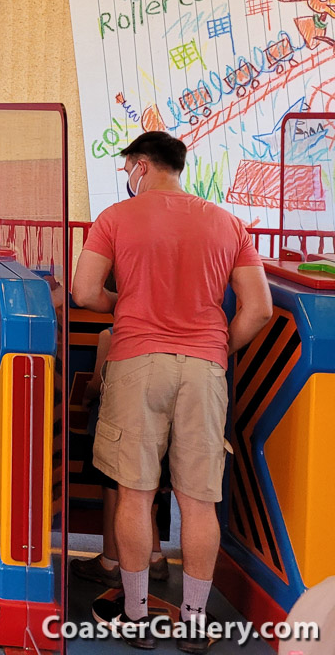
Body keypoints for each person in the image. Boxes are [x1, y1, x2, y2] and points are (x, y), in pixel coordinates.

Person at [72, 131, 272, 652]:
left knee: (135, 493)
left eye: (127, 169)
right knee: (199, 501)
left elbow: (85, 291)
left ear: (141, 165)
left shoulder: (116, 218)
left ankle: (136, 615)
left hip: (137, 360)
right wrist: (215, 348)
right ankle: (195, 621)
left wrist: (131, 300)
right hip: (205, 367)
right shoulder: (228, 222)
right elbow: (259, 308)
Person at [70, 326, 170, 587]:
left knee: (115, 489)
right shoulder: (168, 334)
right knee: (148, 489)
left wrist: (84, 398)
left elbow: (99, 381)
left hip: (119, 420)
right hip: (158, 424)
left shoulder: (111, 335)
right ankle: (155, 557)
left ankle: (111, 561)